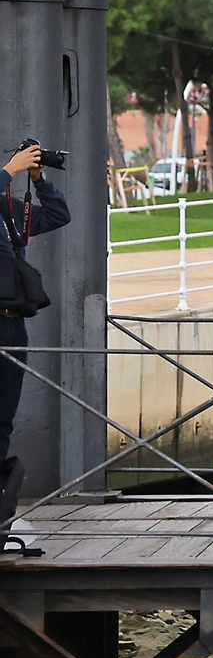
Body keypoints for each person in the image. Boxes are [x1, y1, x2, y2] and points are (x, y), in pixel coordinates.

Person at [0, 143, 71, 497]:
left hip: (13, 324)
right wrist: (10, 170)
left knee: (3, 420)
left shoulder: (10, 208)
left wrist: (38, 179)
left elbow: (58, 215)